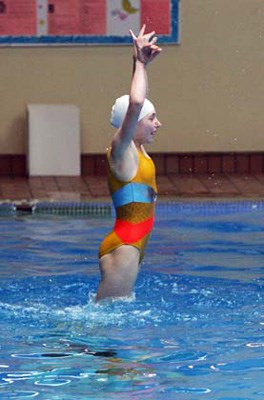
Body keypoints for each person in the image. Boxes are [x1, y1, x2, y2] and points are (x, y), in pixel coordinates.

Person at [95, 25, 162, 302]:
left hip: (133, 244)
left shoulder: (137, 148)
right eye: (152, 118)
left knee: (109, 320)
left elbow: (132, 103)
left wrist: (138, 66)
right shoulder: (122, 151)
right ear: (133, 123)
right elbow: (134, 102)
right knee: (101, 325)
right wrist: (139, 63)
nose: (158, 123)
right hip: (124, 246)